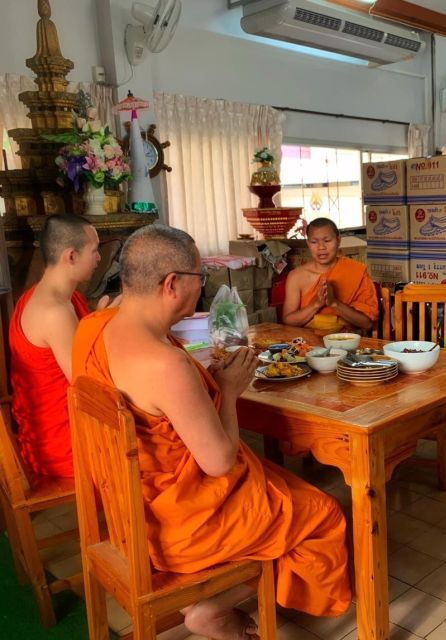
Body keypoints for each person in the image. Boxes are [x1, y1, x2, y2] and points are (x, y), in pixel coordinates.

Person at [72, 224, 351, 639]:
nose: (201, 288)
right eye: (199, 278)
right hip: (180, 527)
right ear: (171, 284)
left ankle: (213, 596)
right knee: (322, 512)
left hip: (128, 511)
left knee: (277, 480)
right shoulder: (165, 364)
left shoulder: (92, 328)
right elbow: (219, 462)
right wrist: (230, 391)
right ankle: (212, 607)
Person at [9, 214, 114, 477]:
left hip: (61, 430)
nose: (99, 258)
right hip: (63, 444)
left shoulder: (53, 296)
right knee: (155, 441)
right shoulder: (53, 311)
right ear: (71, 256)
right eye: (94, 250)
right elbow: (87, 385)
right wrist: (105, 320)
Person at [283, 217, 378, 333]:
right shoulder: (296, 277)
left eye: (327, 241)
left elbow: (367, 323)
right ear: (308, 244)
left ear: (338, 240)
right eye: (314, 242)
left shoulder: (356, 271)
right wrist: (316, 304)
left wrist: (334, 303)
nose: (321, 247)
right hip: (308, 344)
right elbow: (288, 321)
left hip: (346, 342)